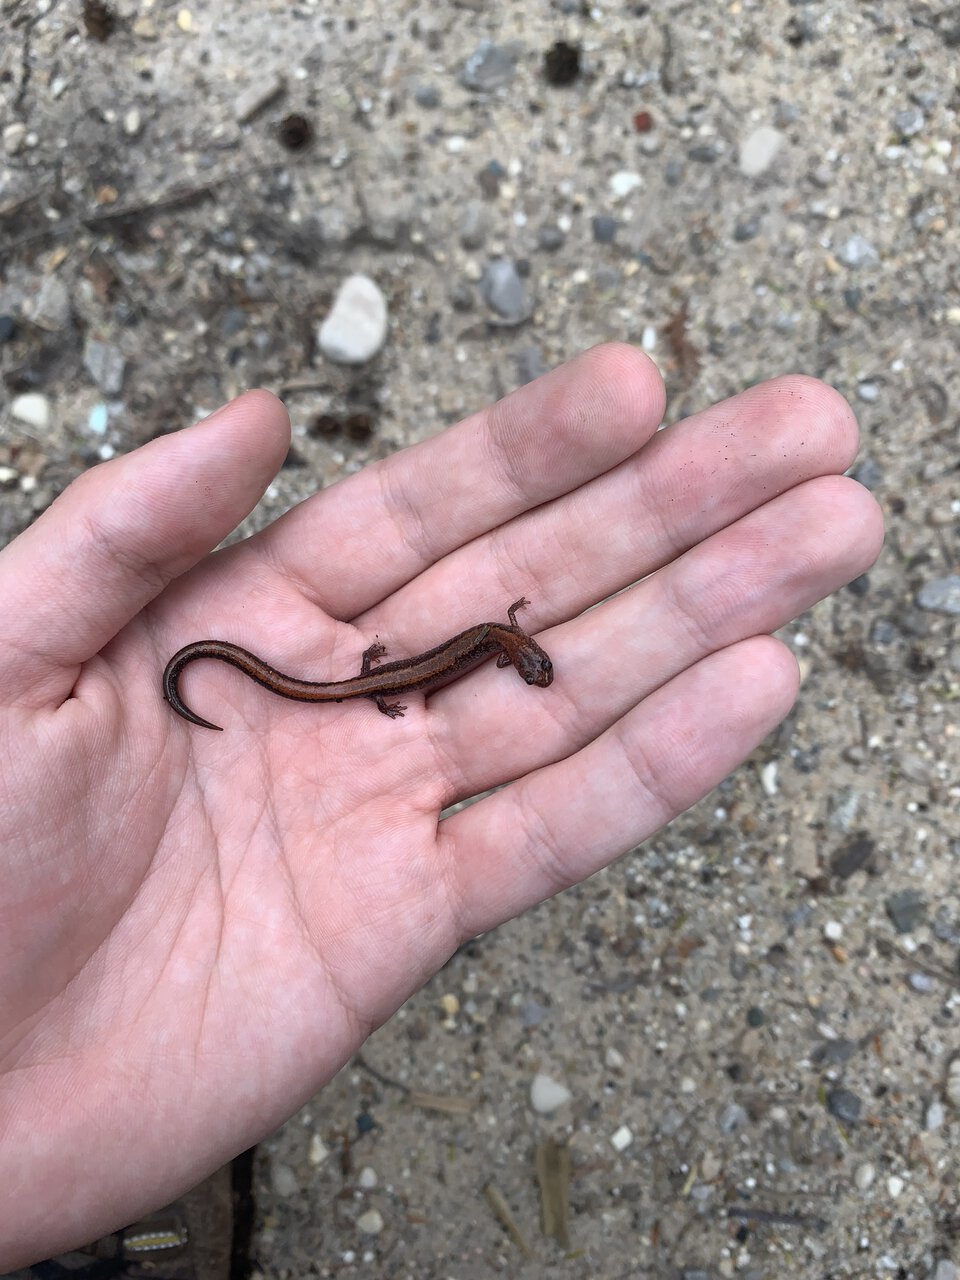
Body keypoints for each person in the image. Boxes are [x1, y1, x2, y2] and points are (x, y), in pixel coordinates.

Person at [0, 344, 882, 1268]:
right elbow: (500, 631)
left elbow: (501, 626)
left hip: (388, 677)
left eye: (529, 666)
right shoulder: (503, 643)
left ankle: (213, 677)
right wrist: (394, 685)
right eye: (532, 666)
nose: (531, 670)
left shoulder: (506, 637)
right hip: (380, 681)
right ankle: (198, 676)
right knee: (312, 685)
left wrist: (396, 679)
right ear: (522, 654)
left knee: (330, 684)